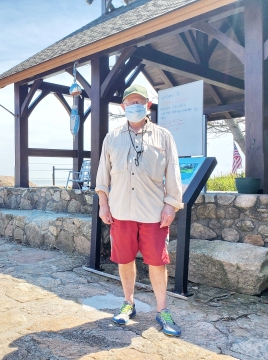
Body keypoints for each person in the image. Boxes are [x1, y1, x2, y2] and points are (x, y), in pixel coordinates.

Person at [95, 84, 183, 337]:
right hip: (120, 211)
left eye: (139, 101)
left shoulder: (163, 136)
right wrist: (103, 203)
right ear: (123, 107)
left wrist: (170, 206)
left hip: (154, 213)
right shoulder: (111, 138)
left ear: (148, 105)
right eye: (130, 102)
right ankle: (128, 302)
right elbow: (103, 176)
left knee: (157, 261)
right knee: (124, 259)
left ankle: (162, 309)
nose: (134, 105)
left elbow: (173, 174)